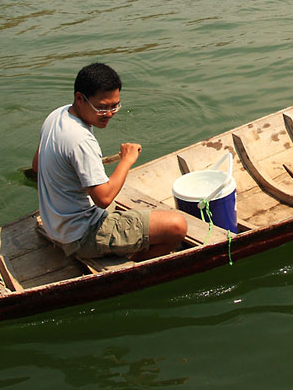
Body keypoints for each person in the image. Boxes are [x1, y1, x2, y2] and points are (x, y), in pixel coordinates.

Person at [32, 63, 187, 261]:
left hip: (55, 225)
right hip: (81, 236)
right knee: (176, 226)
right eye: (102, 107)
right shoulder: (81, 141)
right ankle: (134, 261)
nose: (110, 114)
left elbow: (37, 166)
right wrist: (127, 160)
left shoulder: (57, 115)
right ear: (80, 98)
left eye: (115, 106)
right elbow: (104, 199)